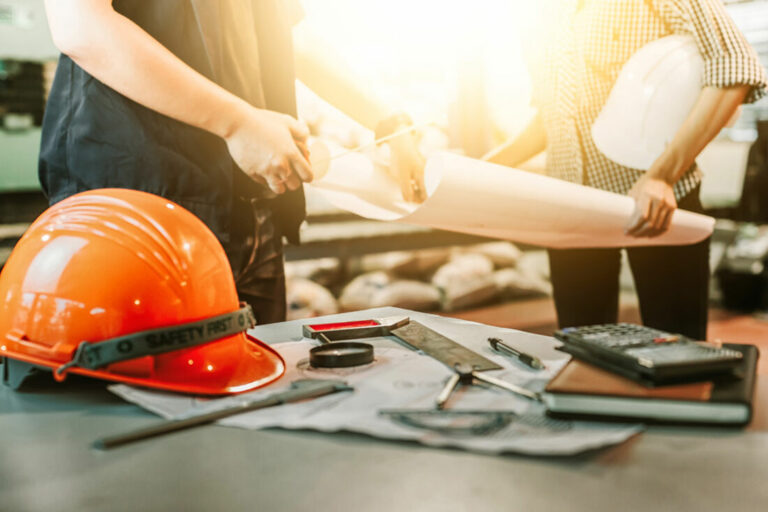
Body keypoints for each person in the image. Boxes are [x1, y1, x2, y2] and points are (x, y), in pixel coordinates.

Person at [40, 0, 424, 325]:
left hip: (251, 210)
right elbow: (81, 25)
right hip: (142, 207)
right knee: (147, 400)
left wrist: (385, 119)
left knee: (258, 391)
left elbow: (287, 32)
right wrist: (237, 123)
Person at [485, 0, 767, 339]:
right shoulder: (540, 15)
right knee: (583, 349)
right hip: (572, 209)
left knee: (675, 349)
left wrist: (662, 176)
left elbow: (735, 68)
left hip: (659, 203)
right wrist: (482, 169)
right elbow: (553, 115)